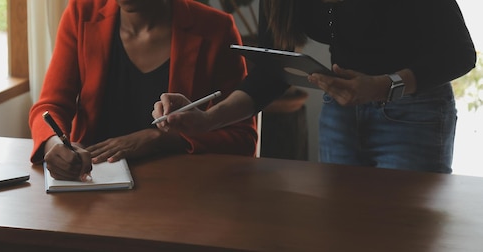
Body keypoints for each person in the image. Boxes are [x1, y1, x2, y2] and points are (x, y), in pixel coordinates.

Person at [153, 0, 476, 174]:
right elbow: (271, 73)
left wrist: (382, 87)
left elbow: (459, 54)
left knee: (408, 228)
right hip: (341, 112)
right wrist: (209, 119)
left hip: (413, 112)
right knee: (343, 224)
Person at [29, 0, 258, 181]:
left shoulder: (215, 28)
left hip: (185, 191)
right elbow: (50, 106)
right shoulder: (82, 13)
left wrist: (161, 140)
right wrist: (55, 144)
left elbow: (243, 138)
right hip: (93, 184)